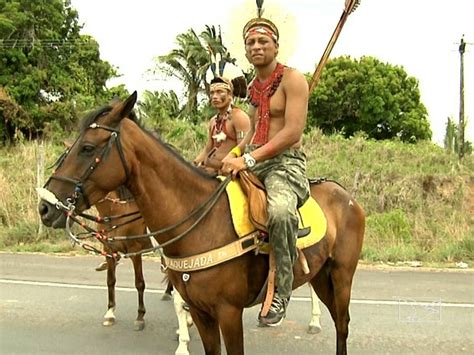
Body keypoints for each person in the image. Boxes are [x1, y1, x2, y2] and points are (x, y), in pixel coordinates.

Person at [221, 14, 310, 327]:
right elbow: (253, 132)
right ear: (245, 51)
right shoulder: (255, 88)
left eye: (262, 42)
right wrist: (235, 153)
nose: (256, 47)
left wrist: (247, 160)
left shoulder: (293, 79)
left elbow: (291, 132)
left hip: (286, 164)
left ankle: (283, 289)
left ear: (276, 46)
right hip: (256, 161)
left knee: (282, 211)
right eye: (250, 43)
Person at [194, 76, 250, 172]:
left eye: (220, 92)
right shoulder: (213, 121)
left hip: (230, 173)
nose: (215, 96)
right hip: (210, 172)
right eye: (212, 93)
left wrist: (224, 167)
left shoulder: (239, 117)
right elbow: (207, 150)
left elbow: (244, 149)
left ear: (230, 95)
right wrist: (193, 164)